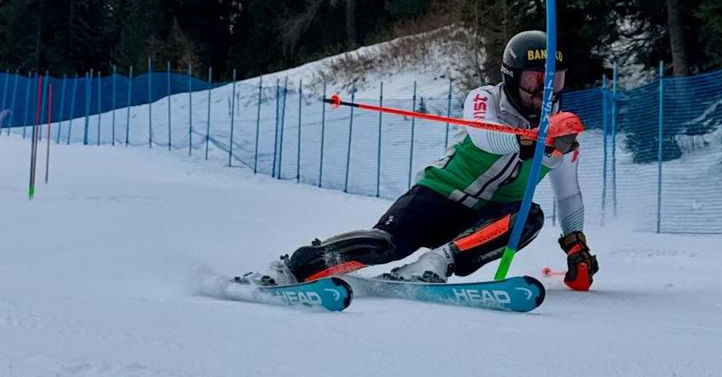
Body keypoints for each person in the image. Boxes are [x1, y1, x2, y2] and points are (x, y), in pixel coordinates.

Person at [254, 30, 598, 291]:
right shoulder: (485, 98)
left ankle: (434, 263)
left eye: (553, 80)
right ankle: (291, 268)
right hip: (438, 197)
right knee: (384, 245)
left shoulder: (561, 134)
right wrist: (532, 140)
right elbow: (484, 136)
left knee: (529, 216)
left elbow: (568, 196)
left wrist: (575, 245)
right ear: (511, 76)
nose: (544, 91)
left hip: (483, 221)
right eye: (533, 80)